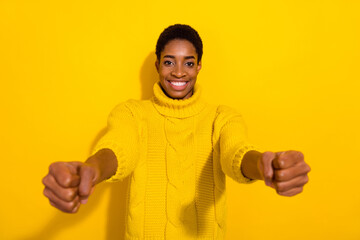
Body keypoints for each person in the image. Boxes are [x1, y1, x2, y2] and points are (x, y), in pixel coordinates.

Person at [42, 24, 310, 239]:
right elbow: (119, 147)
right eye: (169, 62)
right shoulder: (132, 114)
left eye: (189, 63)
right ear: (157, 65)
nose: (179, 72)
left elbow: (235, 153)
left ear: (199, 66)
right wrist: (92, 169)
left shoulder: (222, 117)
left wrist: (265, 167)